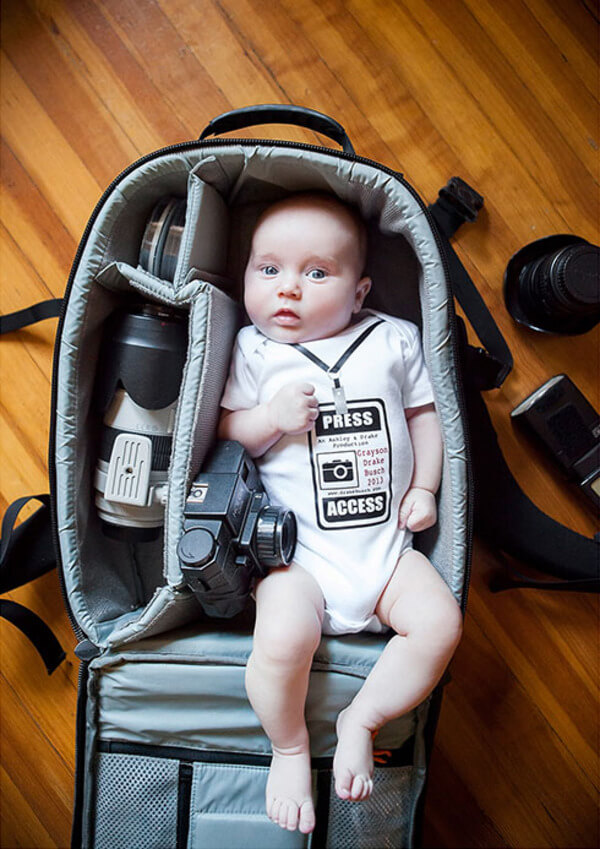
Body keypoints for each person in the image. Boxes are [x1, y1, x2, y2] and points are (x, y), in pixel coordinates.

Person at [218, 192, 462, 835]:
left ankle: (363, 717)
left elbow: (424, 418)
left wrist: (427, 488)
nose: (288, 290)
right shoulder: (253, 351)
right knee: (280, 639)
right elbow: (222, 437)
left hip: (386, 558)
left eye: (316, 273)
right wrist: (269, 418)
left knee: (439, 624)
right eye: (267, 270)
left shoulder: (391, 337)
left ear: (359, 293)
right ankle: (291, 746)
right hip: (299, 561)